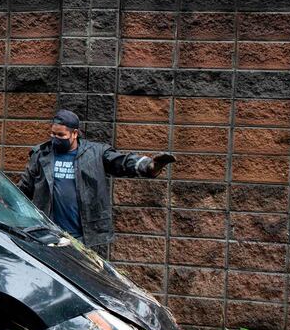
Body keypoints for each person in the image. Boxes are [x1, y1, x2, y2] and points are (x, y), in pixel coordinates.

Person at [17, 109, 175, 258]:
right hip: (49, 235)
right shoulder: (41, 154)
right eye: (52, 134)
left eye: (61, 135)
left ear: (74, 133)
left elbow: (122, 162)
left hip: (85, 237)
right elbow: (23, 190)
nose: (55, 139)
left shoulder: (95, 153)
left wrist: (150, 166)